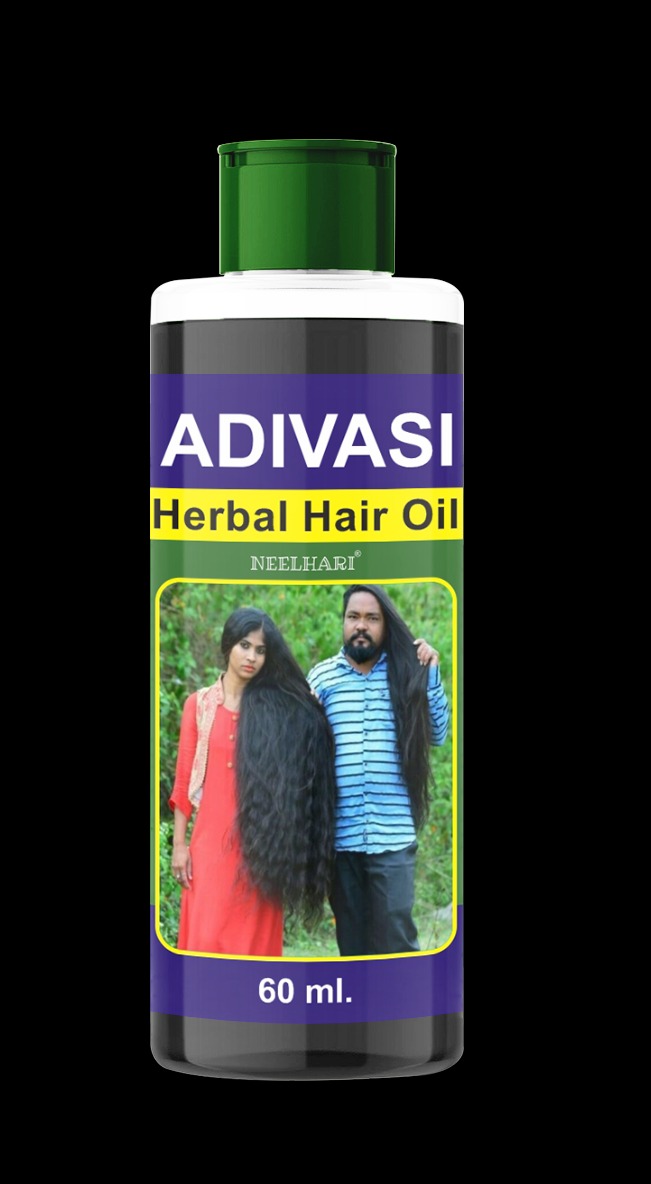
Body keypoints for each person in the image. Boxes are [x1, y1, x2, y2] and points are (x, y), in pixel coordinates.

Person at [169, 607, 336, 956]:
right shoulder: (198, 705)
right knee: (205, 939)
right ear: (228, 644)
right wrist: (180, 846)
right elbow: (184, 783)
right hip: (209, 849)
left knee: (254, 947)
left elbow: (310, 735)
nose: (252, 657)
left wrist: (310, 708)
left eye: (261, 650)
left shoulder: (276, 711)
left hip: (262, 850)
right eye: (245, 646)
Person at [307, 584, 449, 956]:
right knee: (352, 945)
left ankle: (405, 996)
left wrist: (431, 675)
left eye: (372, 618)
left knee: (396, 939)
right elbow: (302, 750)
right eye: (353, 617)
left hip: (393, 835)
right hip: (341, 838)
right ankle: (356, 998)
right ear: (343, 621)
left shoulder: (407, 673)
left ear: (385, 625)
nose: (361, 626)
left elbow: (438, 734)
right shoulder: (322, 678)